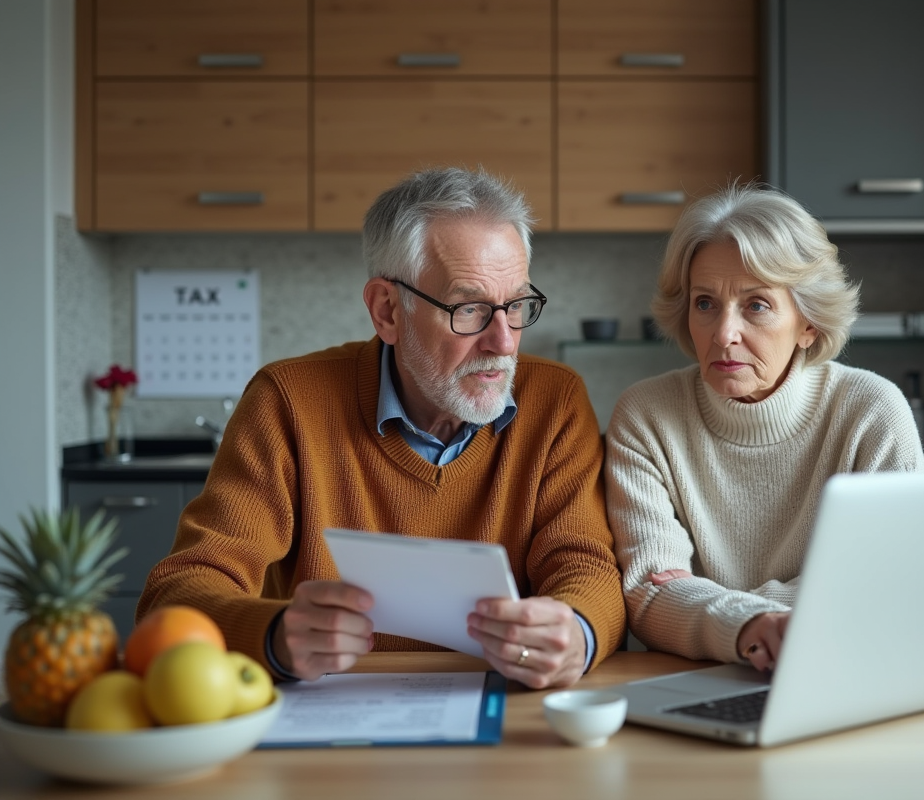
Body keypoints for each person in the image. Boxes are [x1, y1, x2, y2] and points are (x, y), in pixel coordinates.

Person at [138, 167, 625, 689]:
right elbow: (178, 595)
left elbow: (585, 565)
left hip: (505, 706)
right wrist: (275, 635)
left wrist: (576, 632)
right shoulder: (287, 402)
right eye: (469, 310)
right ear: (387, 310)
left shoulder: (555, 401)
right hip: (328, 718)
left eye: (517, 306)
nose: (504, 343)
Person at [604, 183, 924, 672]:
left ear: (808, 324)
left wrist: (718, 608)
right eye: (705, 303)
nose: (723, 333)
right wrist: (758, 623)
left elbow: (896, 582)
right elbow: (650, 596)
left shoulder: (871, 411)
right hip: (695, 678)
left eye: (756, 305)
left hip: (841, 667)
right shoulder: (646, 415)